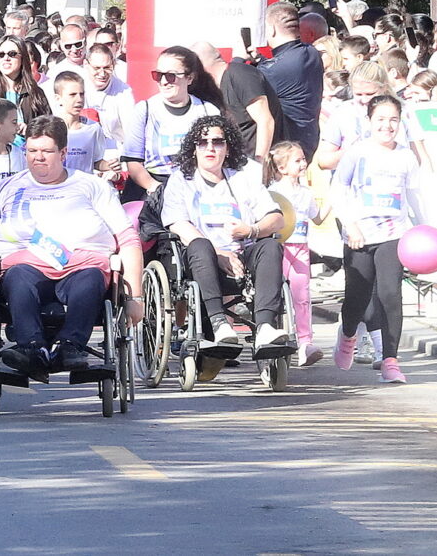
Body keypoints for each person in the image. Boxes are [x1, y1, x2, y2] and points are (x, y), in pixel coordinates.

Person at [0, 117, 145, 385]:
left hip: (83, 266)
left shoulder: (92, 186)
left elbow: (128, 239)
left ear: (63, 153)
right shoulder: (7, 188)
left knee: (90, 278)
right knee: (19, 277)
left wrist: (135, 296)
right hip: (25, 268)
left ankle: (70, 347)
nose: (38, 157)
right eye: (32, 151)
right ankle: (32, 348)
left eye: (46, 151)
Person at [160, 114, 292, 357]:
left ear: (228, 147)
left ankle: (264, 327)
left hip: (243, 255)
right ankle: (219, 323)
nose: (210, 147)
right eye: (203, 142)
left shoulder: (244, 177)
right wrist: (219, 253)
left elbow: (277, 218)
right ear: (194, 149)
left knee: (271, 247)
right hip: (202, 260)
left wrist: (251, 230)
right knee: (200, 245)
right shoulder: (181, 180)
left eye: (218, 142)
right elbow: (178, 224)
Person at [332, 94, 423, 384]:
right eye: (381, 119)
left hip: (393, 234)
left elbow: (416, 197)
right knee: (357, 299)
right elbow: (338, 189)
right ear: (369, 121)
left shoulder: (406, 157)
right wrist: (351, 225)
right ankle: (348, 334)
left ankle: (390, 360)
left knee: (390, 294)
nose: (388, 126)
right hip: (359, 236)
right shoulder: (357, 152)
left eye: (393, 120)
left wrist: (423, 230)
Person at [120, 45, 219, 199]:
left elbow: (217, 157)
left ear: (189, 78)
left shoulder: (208, 111)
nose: (164, 81)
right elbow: (133, 162)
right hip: (152, 187)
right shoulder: (144, 110)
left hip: (195, 188)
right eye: (158, 75)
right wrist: (156, 189)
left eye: (171, 76)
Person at [264, 139, 319, 365]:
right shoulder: (272, 193)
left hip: (301, 249)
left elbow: (317, 218)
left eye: (303, 159)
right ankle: (272, 334)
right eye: (297, 160)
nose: (303, 163)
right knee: (274, 294)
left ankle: (305, 343)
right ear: (282, 167)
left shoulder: (306, 193)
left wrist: (335, 199)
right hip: (280, 248)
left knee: (302, 296)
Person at [192, 40, 279, 168]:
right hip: (237, 166)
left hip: (259, 164)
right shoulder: (213, 89)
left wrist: (259, 163)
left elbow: (265, 121)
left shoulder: (240, 74)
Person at [258, 1, 323, 156]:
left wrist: (239, 61)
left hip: (287, 148)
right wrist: (261, 60)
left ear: (271, 29)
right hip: (310, 139)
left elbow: (251, 86)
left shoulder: (271, 70)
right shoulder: (312, 53)